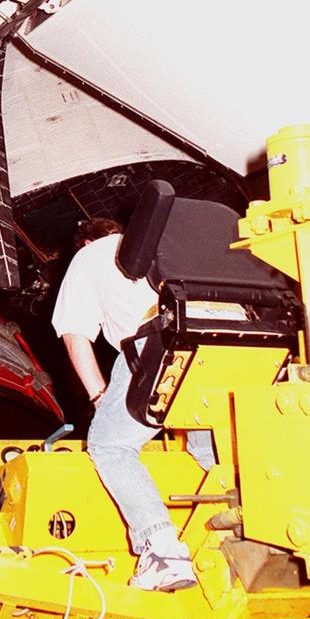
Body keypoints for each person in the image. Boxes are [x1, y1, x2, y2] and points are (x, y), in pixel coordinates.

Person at [52, 217, 213, 592]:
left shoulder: (89, 255)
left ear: (86, 241)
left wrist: (98, 394)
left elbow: (76, 336)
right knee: (209, 449)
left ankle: (162, 552)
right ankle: (235, 531)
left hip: (163, 340)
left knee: (111, 446)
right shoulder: (167, 243)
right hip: (220, 338)